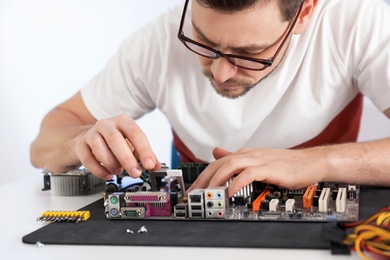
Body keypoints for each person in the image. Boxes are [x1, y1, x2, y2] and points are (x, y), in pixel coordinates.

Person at [30, 0, 390, 197]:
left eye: (250, 53)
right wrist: (81, 140)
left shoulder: (356, 22)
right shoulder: (158, 41)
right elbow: (43, 143)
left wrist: (317, 162)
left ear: (304, 13)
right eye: (202, 41)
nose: (220, 73)